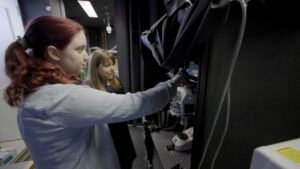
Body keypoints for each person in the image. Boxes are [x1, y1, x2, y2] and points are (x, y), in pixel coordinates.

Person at [4, 15, 183, 169]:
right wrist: (172, 85)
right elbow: (135, 103)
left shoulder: (35, 92)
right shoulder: (59, 98)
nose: (87, 56)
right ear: (54, 53)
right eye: (79, 49)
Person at [86, 49, 136, 169]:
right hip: (107, 138)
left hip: (122, 134)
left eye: (113, 64)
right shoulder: (90, 90)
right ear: (96, 68)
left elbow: (125, 105)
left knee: (127, 162)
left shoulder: (116, 83)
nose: (112, 68)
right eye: (107, 65)